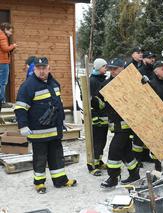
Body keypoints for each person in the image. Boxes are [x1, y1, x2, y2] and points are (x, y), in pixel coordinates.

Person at [14, 57, 77, 193]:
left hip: (54, 130)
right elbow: (20, 108)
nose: (41, 71)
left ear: (49, 68)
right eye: (39, 68)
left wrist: (62, 120)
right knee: (40, 158)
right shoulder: (28, 86)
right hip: (38, 132)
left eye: (44, 68)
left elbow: (58, 105)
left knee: (57, 156)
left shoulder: (54, 83)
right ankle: (39, 183)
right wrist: (23, 125)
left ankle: (60, 180)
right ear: (34, 69)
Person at [101, 58, 140, 188]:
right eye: (111, 69)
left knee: (114, 150)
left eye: (115, 69)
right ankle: (134, 173)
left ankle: (113, 178)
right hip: (115, 124)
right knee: (125, 151)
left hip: (126, 125)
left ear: (123, 69)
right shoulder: (107, 84)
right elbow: (101, 104)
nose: (112, 71)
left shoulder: (130, 83)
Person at [87, 58, 109, 176]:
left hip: (103, 117)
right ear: (97, 67)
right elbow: (91, 100)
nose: (106, 68)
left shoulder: (101, 79)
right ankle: (92, 165)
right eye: (104, 66)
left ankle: (99, 161)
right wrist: (102, 105)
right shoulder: (93, 81)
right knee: (96, 142)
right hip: (97, 118)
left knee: (102, 141)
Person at [0, 23, 17, 109]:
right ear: (5, 29)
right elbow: (5, 49)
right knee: (3, 82)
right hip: (3, 62)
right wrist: (13, 46)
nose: (11, 33)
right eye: (10, 31)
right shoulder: (2, 36)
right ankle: (2, 101)